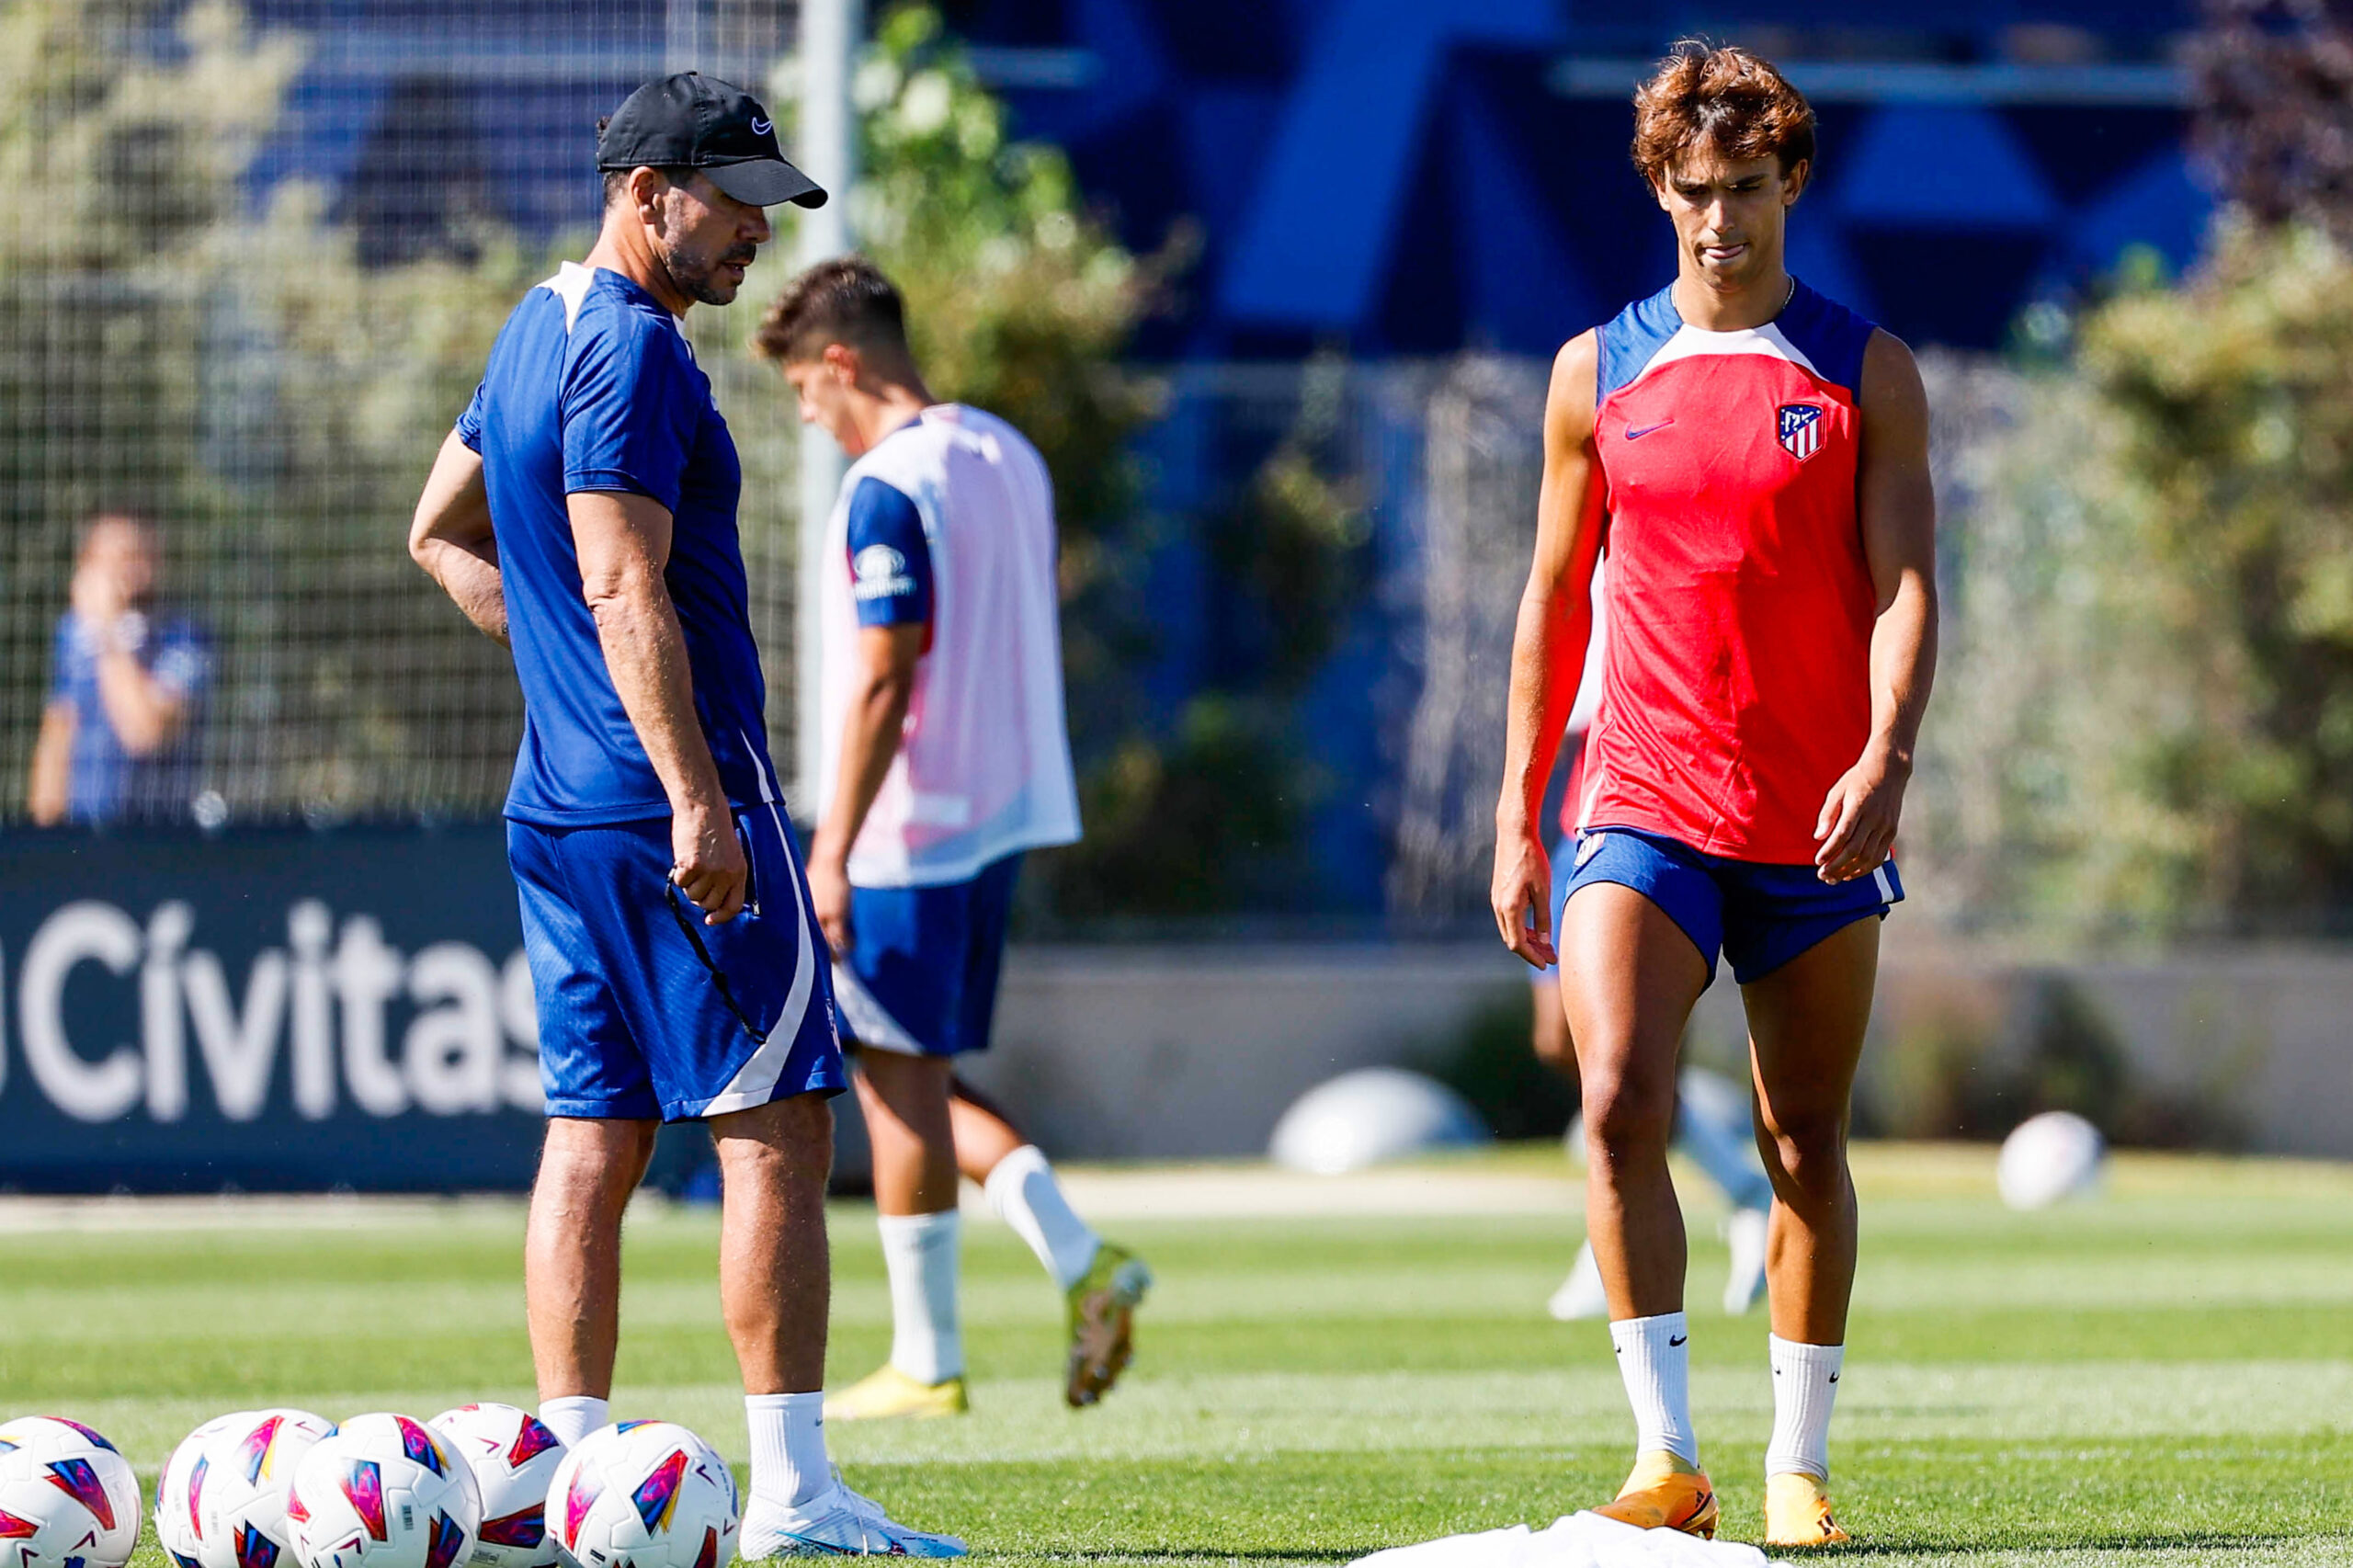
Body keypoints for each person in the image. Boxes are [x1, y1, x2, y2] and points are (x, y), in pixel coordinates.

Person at [407, 74, 962, 1558]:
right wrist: (696, 795)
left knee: (591, 1133)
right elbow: (617, 575)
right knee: (775, 1125)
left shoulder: (533, 330)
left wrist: (568, 685)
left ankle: (562, 1483)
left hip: (558, 811)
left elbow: (436, 529)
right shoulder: (639, 353)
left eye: (769, 213)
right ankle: (796, 1498)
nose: (753, 240)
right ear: (647, 192)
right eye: (734, 206)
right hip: (672, 806)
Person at [1489, 42, 1936, 1549]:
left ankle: (1796, 1465)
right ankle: (1665, 1454)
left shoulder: (1864, 370)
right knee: (1614, 1096)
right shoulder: (1594, 371)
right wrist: (1516, 811)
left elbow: (1909, 584)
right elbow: (1553, 598)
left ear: (1791, 184)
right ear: (1660, 193)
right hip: (1641, 797)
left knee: (1802, 1137)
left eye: (1746, 191)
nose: (1718, 223)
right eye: (1692, 194)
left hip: (1816, 816)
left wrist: (1886, 756)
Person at [753, 256, 1152, 1421]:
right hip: (1004, 813)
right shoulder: (1006, 453)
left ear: (839, 363)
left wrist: (831, 844)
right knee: (908, 1073)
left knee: (894, 1088)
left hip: (907, 832)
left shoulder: (885, 487)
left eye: (802, 394)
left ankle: (930, 1359)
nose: (808, 419)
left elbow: (885, 671)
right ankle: (1078, 1256)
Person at [1528, 589, 1772, 1324]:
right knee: (1559, 1039)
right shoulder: (1590, 523)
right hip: (1594, 803)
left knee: (1636, 1060)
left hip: (1679, 809)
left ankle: (1612, 1239)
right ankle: (1737, 1184)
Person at [28, 515, 209, 826]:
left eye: (140, 556)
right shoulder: (72, 632)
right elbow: (59, 729)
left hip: (155, 835)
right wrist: (43, 834)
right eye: (113, 560)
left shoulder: (184, 637)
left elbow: (144, 733)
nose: (129, 571)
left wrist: (108, 628)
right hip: (80, 837)